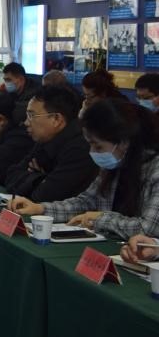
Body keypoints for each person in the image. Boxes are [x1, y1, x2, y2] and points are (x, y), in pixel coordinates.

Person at [9, 100, 159, 239]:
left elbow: (149, 228)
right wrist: (40, 209)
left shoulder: (155, 170)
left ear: (124, 143)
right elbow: (86, 202)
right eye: (90, 145)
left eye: (98, 146)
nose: (92, 152)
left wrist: (100, 219)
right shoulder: (115, 164)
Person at [2, 86, 97, 202]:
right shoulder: (45, 138)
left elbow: (43, 196)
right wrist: (40, 179)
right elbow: (11, 177)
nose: (26, 122)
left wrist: (35, 178)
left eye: (31, 116)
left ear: (56, 119)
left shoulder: (81, 149)